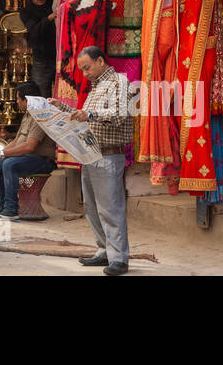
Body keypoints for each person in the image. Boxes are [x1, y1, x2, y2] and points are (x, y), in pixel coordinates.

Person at [71, 46, 132, 275]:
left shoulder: (118, 82)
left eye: (87, 67)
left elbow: (119, 115)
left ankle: (119, 258)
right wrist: (63, 109)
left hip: (108, 155)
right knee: (92, 207)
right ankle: (104, 251)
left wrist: (89, 114)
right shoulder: (96, 87)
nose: (84, 73)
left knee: (110, 209)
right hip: (91, 154)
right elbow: (88, 119)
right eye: (82, 70)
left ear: (100, 61)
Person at [0, 81, 59, 219]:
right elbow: (16, 141)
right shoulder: (27, 114)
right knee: (1, 163)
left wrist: (3, 153)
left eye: (17, 99)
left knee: (9, 164)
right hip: (27, 158)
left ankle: (11, 208)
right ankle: (3, 205)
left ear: (26, 100)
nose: (17, 102)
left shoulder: (40, 115)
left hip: (42, 160)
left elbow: (30, 146)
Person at [21, 0, 57, 98]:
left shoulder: (55, 1)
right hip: (41, 61)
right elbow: (34, 32)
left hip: (61, 58)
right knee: (40, 98)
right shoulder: (26, 11)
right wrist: (49, 18)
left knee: (64, 96)